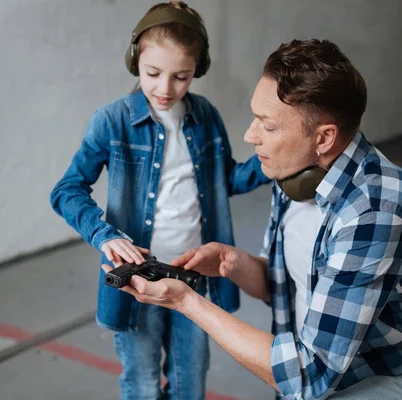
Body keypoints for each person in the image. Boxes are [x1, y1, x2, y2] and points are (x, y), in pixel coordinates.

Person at [103, 39, 402, 399]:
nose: (250, 135)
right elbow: (287, 289)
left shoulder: (374, 209)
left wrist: (186, 301)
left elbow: (309, 376)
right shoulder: (294, 172)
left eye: (267, 125)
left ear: (323, 138)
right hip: (341, 372)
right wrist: (233, 263)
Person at [50, 2, 270, 398]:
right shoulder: (111, 120)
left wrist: (278, 156)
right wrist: (104, 235)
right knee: (143, 383)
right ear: (135, 61)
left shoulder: (205, 116)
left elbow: (225, 181)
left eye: (181, 77)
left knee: (191, 383)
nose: (165, 89)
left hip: (194, 277)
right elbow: (67, 190)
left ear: (197, 71)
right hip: (137, 279)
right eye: (153, 73)